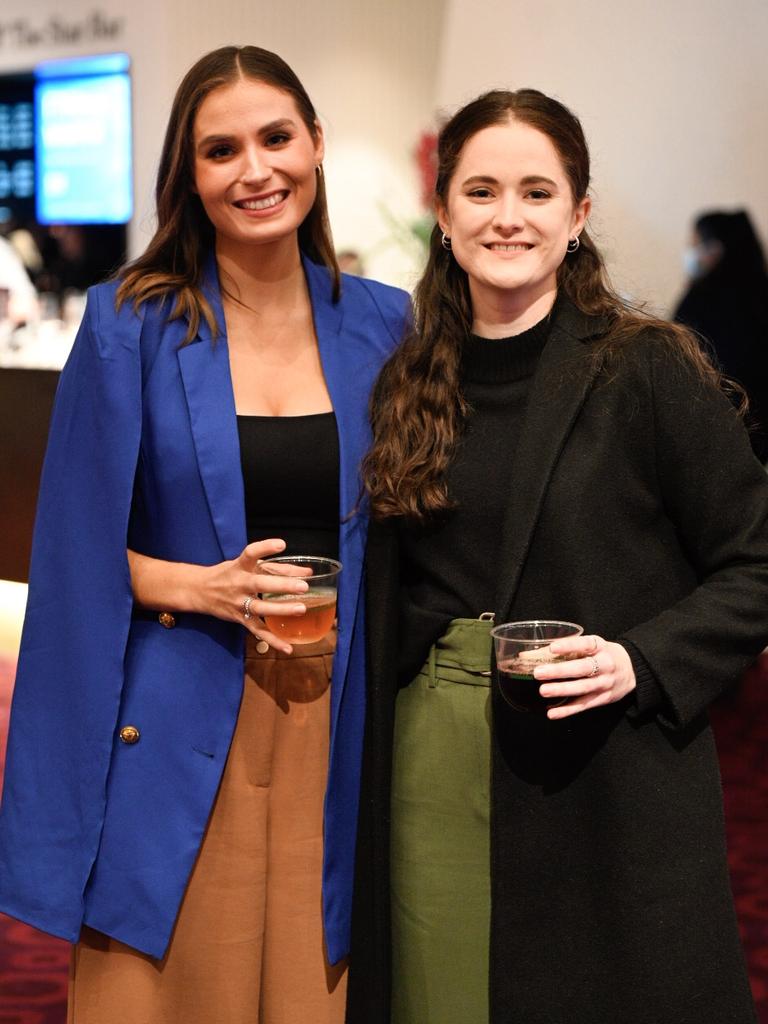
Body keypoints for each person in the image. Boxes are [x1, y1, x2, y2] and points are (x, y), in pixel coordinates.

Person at [0, 46, 408, 1024]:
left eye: (276, 138)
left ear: (316, 144)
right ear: (190, 177)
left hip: (335, 719)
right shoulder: (126, 325)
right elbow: (71, 553)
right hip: (180, 716)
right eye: (221, 150)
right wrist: (201, 586)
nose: (255, 169)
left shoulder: (389, 324)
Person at [346, 89, 767, 1024]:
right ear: (444, 213)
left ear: (577, 216)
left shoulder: (646, 367)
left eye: (537, 192)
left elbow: (756, 563)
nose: (507, 216)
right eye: (482, 190)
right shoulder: (408, 377)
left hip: (602, 769)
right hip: (431, 769)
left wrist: (641, 660)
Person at [674, 209, 768, 462]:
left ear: (715, 250)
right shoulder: (759, 297)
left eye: (695, 245)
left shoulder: (702, 300)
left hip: (710, 440)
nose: (691, 253)